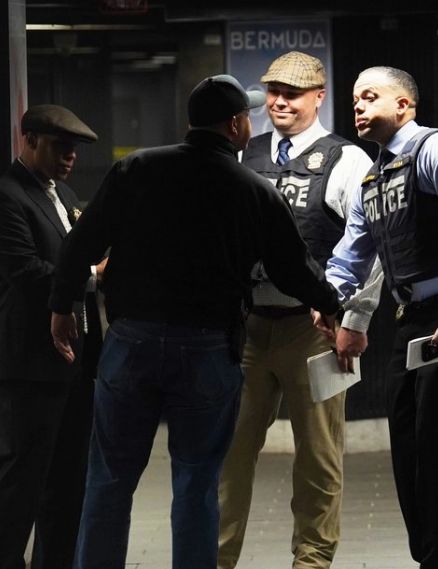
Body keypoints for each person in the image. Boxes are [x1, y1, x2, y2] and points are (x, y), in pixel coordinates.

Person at [47, 74, 342, 569]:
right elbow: (295, 269)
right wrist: (331, 307)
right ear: (235, 125)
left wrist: (60, 307)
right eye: (248, 116)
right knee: (197, 483)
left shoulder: (137, 168)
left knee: (109, 481)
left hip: (131, 344)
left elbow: (82, 243)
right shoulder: (252, 189)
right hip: (206, 350)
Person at [323, 66, 438, 569]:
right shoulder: (375, 177)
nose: (358, 106)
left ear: (404, 105)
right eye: (355, 99)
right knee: (404, 438)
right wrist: (323, 301)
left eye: (371, 97)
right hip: (413, 317)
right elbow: (350, 257)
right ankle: (427, 556)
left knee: (433, 435)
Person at [217, 52, 378, 569]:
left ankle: (312, 561)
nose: (280, 101)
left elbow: (373, 244)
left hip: (315, 331)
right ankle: (216, 557)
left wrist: (352, 318)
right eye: (273, 92)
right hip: (247, 328)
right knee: (228, 454)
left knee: (319, 456)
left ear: (318, 97)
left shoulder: (347, 160)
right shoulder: (244, 153)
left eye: (293, 93)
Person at [0, 105, 103, 569]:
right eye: (61, 147)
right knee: (23, 481)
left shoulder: (63, 194)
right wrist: (94, 278)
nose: (70, 157)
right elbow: (25, 270)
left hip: (74, 361)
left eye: (75, 150)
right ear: (31, 140)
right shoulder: (8, 195)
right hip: (30, 365)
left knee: (67, 482)